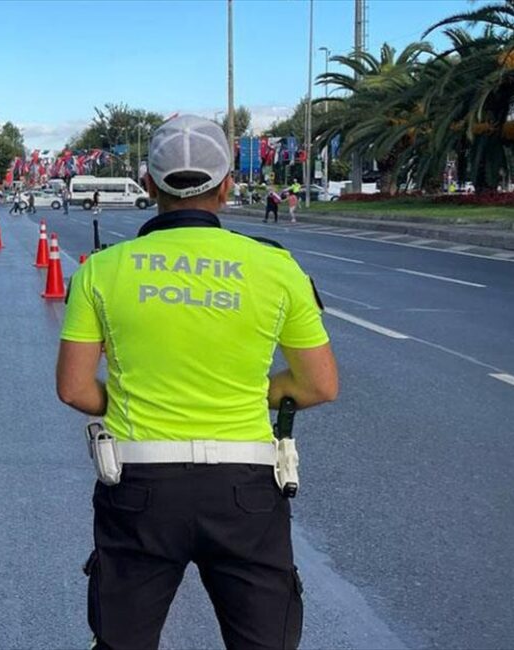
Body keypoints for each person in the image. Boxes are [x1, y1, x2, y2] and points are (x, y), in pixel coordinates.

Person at [57, 115, 338, 650]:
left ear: (148, 185)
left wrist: (146, 397)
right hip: (246, 492)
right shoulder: (276, 267)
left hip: (139, 486)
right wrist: (242, 393)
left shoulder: (102, 269)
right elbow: (319, 385)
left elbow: (73, 389)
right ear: (228, 185)